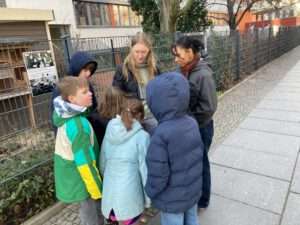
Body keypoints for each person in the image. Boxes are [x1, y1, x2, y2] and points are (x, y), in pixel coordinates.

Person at [145, 72, 204, 225]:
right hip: (192, 190)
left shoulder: (160, 135)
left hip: (172, 199)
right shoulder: (192, 123)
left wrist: (150, 192)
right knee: (192, 219)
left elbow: (158, 174)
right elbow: (198, 156)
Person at [172, 36, 218, 209]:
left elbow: (209, 107)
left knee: (201, 163)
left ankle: (203, 200)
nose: (176, 59)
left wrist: (189, 122)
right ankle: (193, 193)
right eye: (175, 55)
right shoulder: (182, 70)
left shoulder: (203, 75)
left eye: (179, 55)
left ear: (190, 52)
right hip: (186, 126)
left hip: (200, 127)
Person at [52, 76, 103, 225]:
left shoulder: (65, 114)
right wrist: (96, 190)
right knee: (92, 216)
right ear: (72, 99)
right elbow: (85, 163)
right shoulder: (79, 126)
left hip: (73, 177)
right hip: (83, 181)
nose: (90, 94)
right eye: (85, 92)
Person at [100, 98, 151, 225]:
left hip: (110, 197)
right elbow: (145, 171)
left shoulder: (110, 128)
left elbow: (102, 161)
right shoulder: (143, 137)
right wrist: (148, 199)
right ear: (140, 115)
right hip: (130, 198)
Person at [50, 51, 103, 144]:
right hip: (73, 138)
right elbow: (58, 119)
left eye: (91, 70)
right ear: (77, 68)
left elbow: (94, 109)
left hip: (88, 132)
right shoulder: (62, 88)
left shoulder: (87, 84)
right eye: (85, 70)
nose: (89, 73)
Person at [112, 32, 160, 134]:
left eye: (144, 52)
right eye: (136, 52)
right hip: (133, 118)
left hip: (153, 116)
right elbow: (116, 96)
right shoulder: (122, 70)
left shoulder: (155, 69)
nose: (140, 56)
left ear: (149, 51)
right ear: (131, 50)